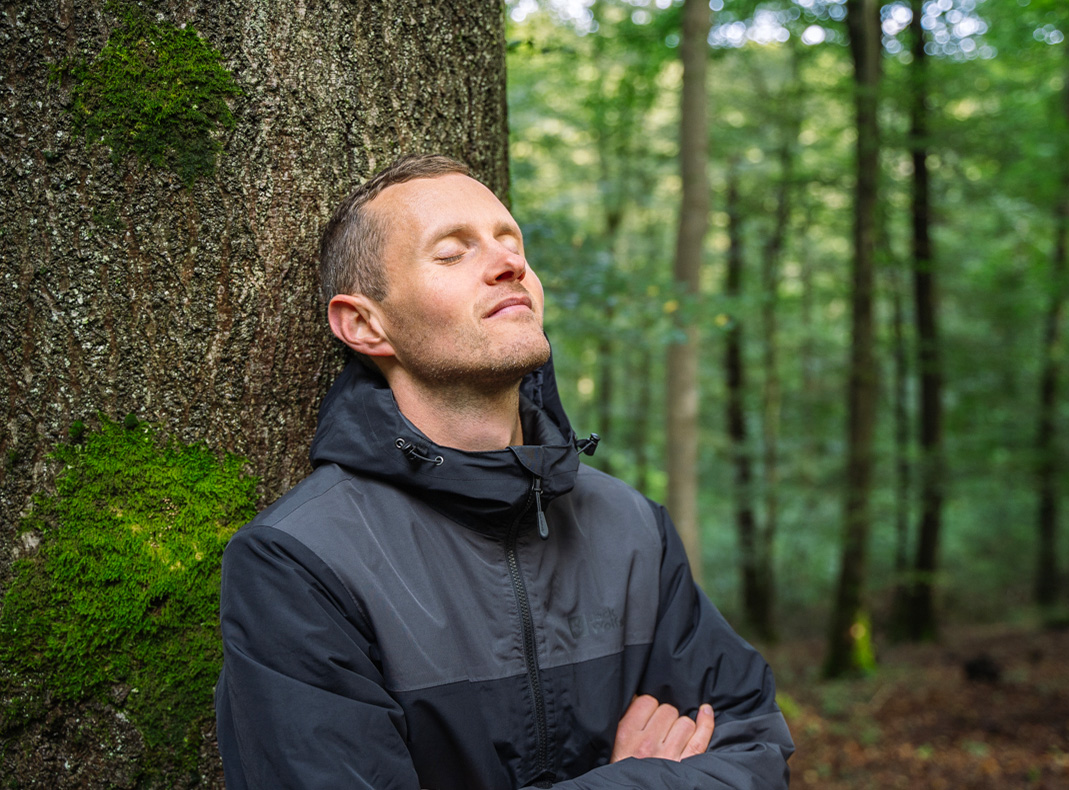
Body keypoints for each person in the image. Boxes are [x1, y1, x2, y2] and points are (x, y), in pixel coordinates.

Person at [215, 154, 794, 789]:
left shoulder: (630, 526)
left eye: (511, 242)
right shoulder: (299, 561)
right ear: (365, 323)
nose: (508, 264)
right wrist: (637, 780)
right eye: (451, 253)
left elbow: (753, 743)